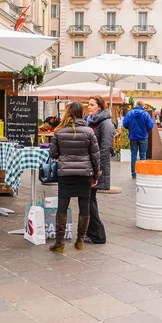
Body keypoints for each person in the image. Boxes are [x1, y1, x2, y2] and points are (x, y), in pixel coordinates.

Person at [49, 102, 101, 253]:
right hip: (85, 173)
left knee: (62, 206)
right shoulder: (89, 131)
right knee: (84, 205)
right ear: (80, 113)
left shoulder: (59, 131)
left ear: (68, 113)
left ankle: (59, 243)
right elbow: (95, 156)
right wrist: (96, 174)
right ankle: (79, 240)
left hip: (65, 173)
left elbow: (53, 154)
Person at [85, 96, 113, 244]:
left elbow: (105, 147)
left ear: (100, 107)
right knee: (89, 199)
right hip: (89, 165)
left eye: (92, 105)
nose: (88, 107)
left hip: (97, 167)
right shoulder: (91, 122)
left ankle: (98, 235)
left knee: (89, 199)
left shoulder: (105, 124)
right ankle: (92, 233)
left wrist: (99, 169)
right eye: (88, 104)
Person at [122, 100, 155, 179]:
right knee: (143, 155)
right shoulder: (145, 114)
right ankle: (141, 172)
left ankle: (133, 173)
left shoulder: (130, 113)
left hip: (133, 137)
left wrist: (130, 128)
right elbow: (151, 125)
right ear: (143, 106)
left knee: (133, 155)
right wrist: (145, 130)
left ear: (136, 105)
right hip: (143, 137)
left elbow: (125, 124)